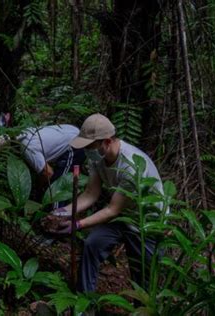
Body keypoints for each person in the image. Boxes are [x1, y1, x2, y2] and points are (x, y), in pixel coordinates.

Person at [52, 113, 165, 292]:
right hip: (123, 216)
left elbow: (112, 209)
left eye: (90, 145)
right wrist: (61, 213)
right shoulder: (97, 158)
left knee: (144, 279)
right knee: (93, 244)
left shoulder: (131, 166)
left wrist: (77, 224)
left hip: (146, 222)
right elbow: (90, 194)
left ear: (106, 142)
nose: (87, 150)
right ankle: (84, 300)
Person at [0, 124, 86, 208]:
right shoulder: (24, 131)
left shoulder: (27, 148)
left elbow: (48, 173)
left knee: (57, 186)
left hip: (74, 144)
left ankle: (57, 215)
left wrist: (39, 186)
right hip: (72, 131)